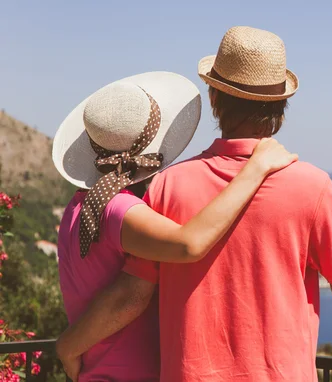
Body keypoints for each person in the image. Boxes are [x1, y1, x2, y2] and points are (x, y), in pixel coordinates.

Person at [56, 27, 332, 382]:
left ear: (214, 97)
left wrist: (70, 346)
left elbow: (135, 291)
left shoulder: (169, 183)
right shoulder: (311, 186)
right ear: (282, 105)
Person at [52, 71, 297, 381]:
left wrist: (71, 347)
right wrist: (256, 168)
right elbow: (187, 245)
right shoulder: (121, 210)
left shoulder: (79, 207)